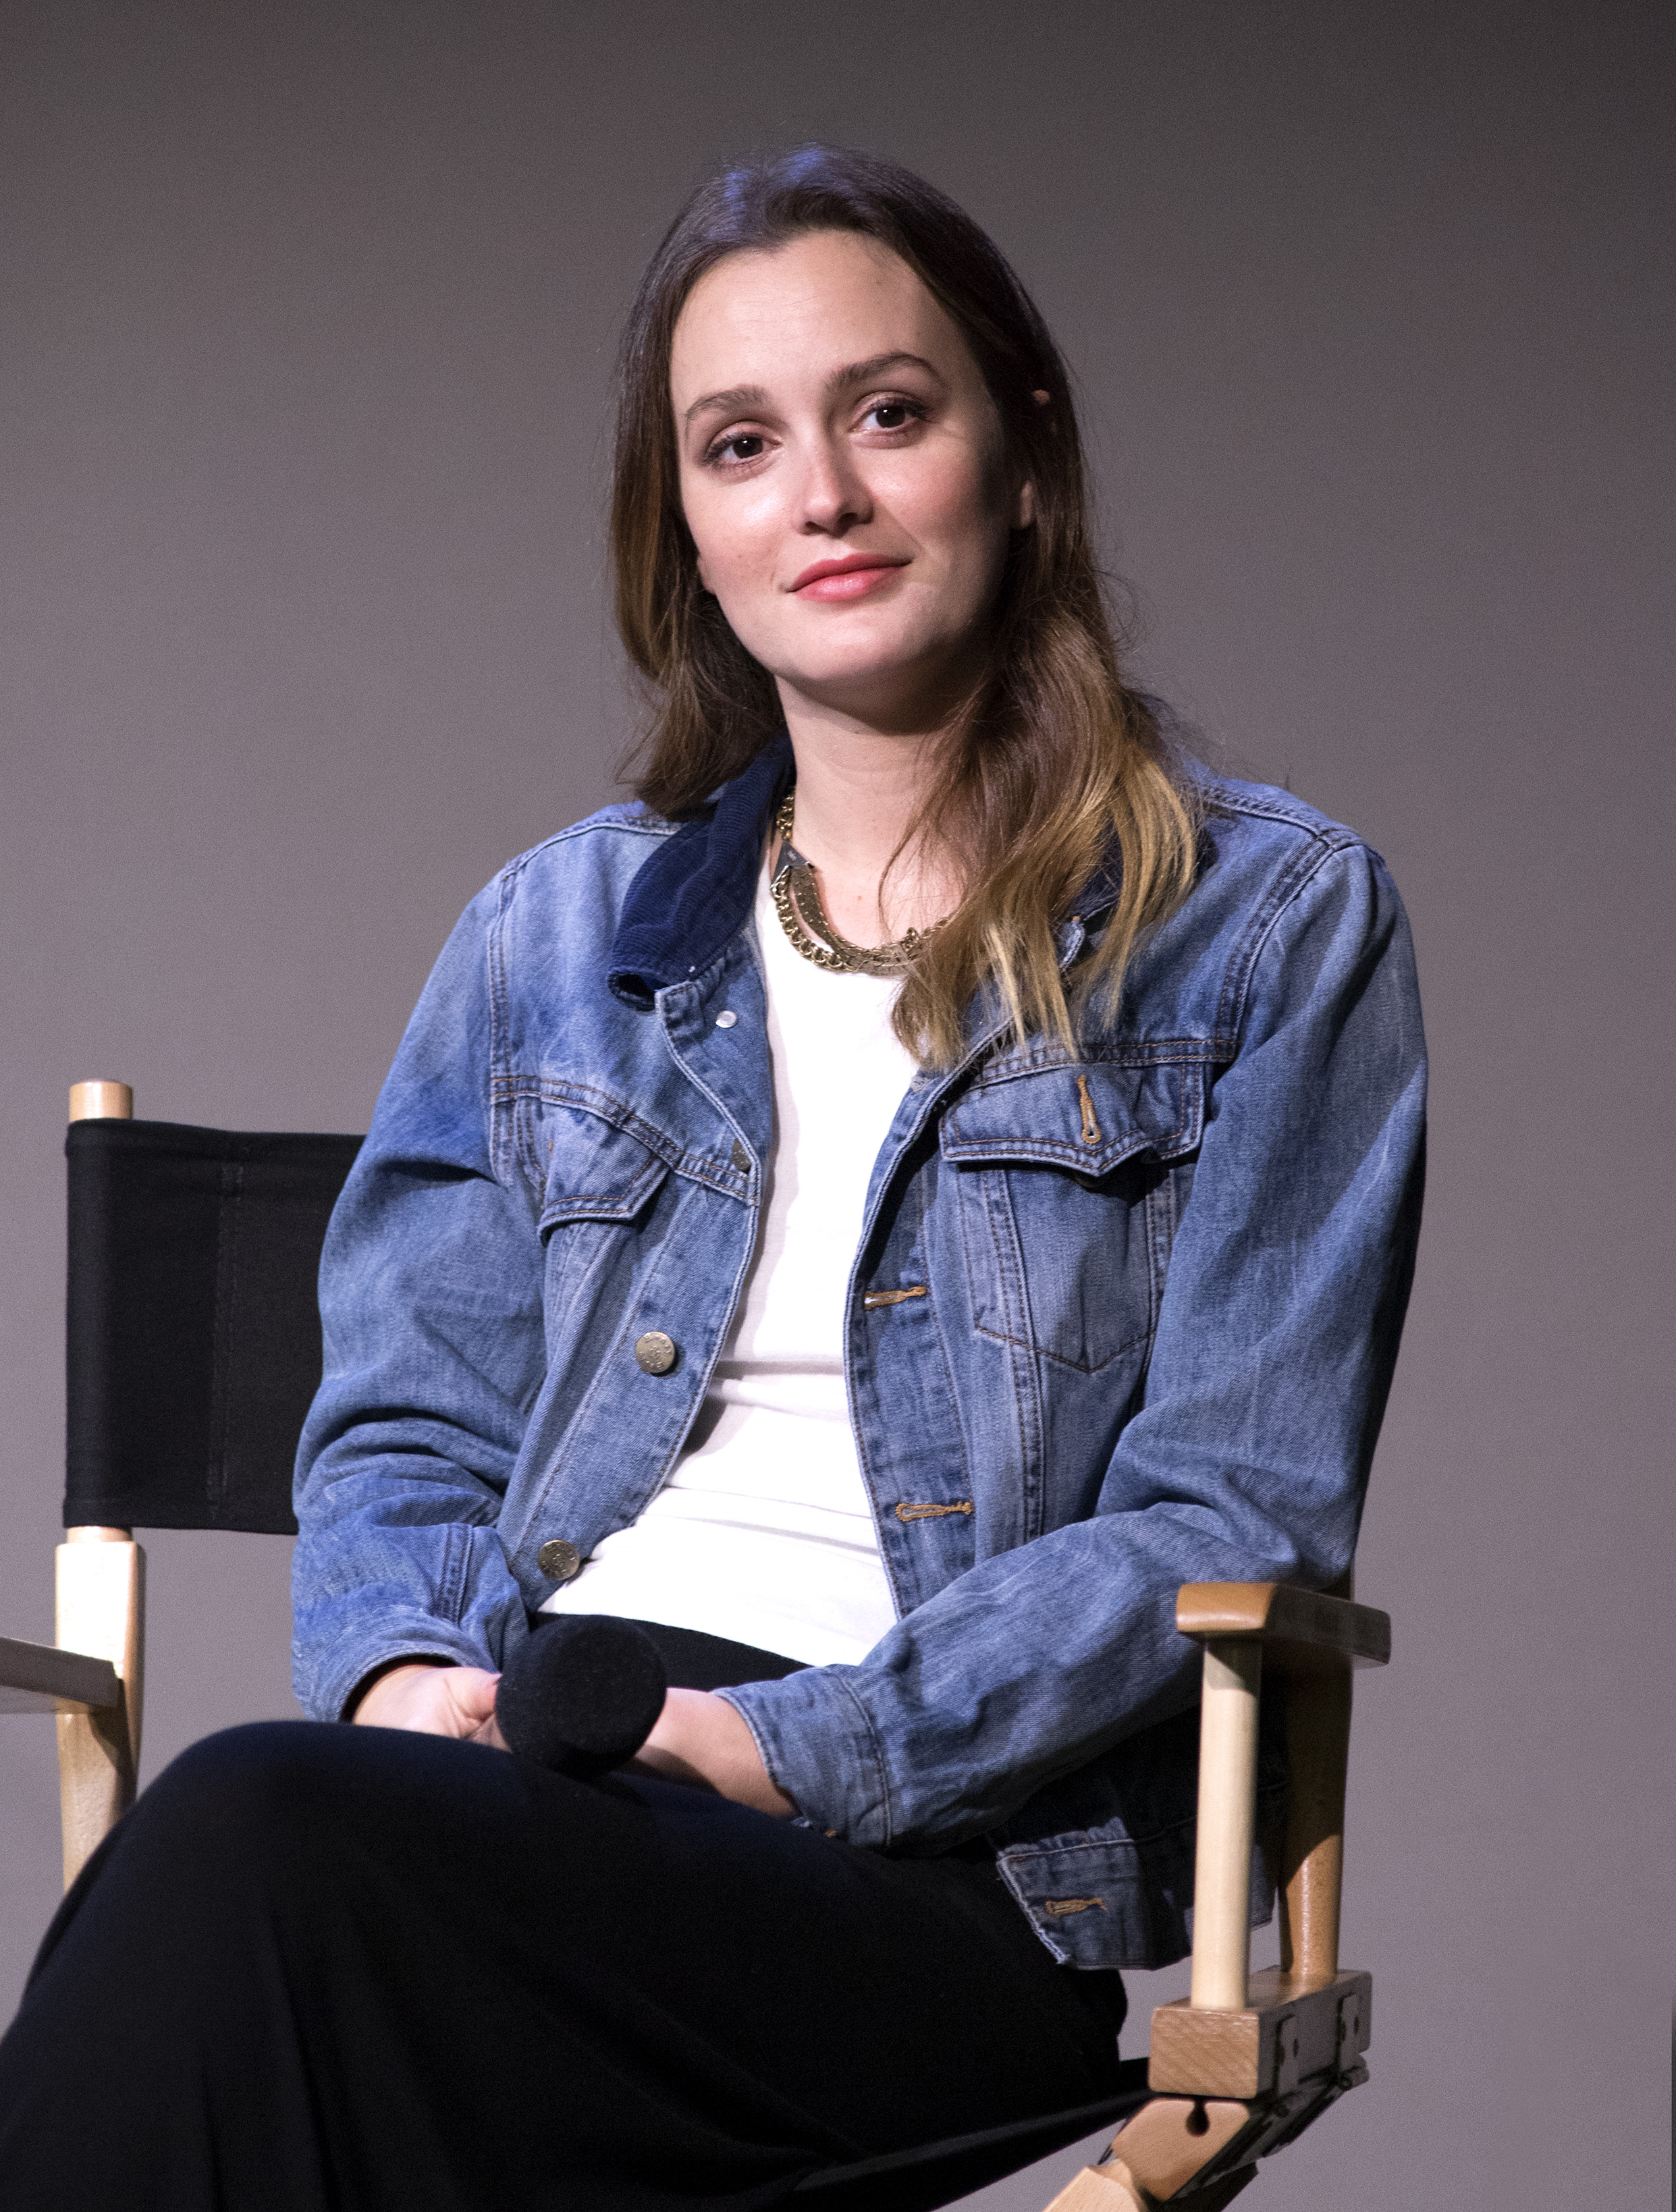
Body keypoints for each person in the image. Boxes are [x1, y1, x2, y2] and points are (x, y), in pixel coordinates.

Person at [0, 146, 1426, 2211]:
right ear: (685, 528)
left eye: (888, 413)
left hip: (935, 1870)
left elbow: (1231, 1508)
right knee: (275, 1947)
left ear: (1023, 453)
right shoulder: (548, 939)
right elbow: (404, 1430)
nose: (819, 496)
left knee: (242, 1874)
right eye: (740, 445)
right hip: (532, 1779)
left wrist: (780, 1747)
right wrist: (404, 1686)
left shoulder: (1268, 926)